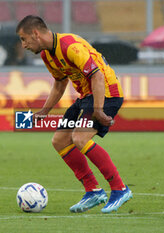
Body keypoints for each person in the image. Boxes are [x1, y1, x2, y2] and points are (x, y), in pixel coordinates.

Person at [16, 15, 132, 214]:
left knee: (79, 137)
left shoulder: (70, 46)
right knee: (60, 140)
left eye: (24, 39)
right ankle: (93, 190)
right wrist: (44, 111)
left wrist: (98, 110)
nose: (23, 45)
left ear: (35, 33)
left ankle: (120, 188)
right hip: (86, 97)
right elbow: (60, 83)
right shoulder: (46, 55)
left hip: (106, 94)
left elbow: (96, 75)